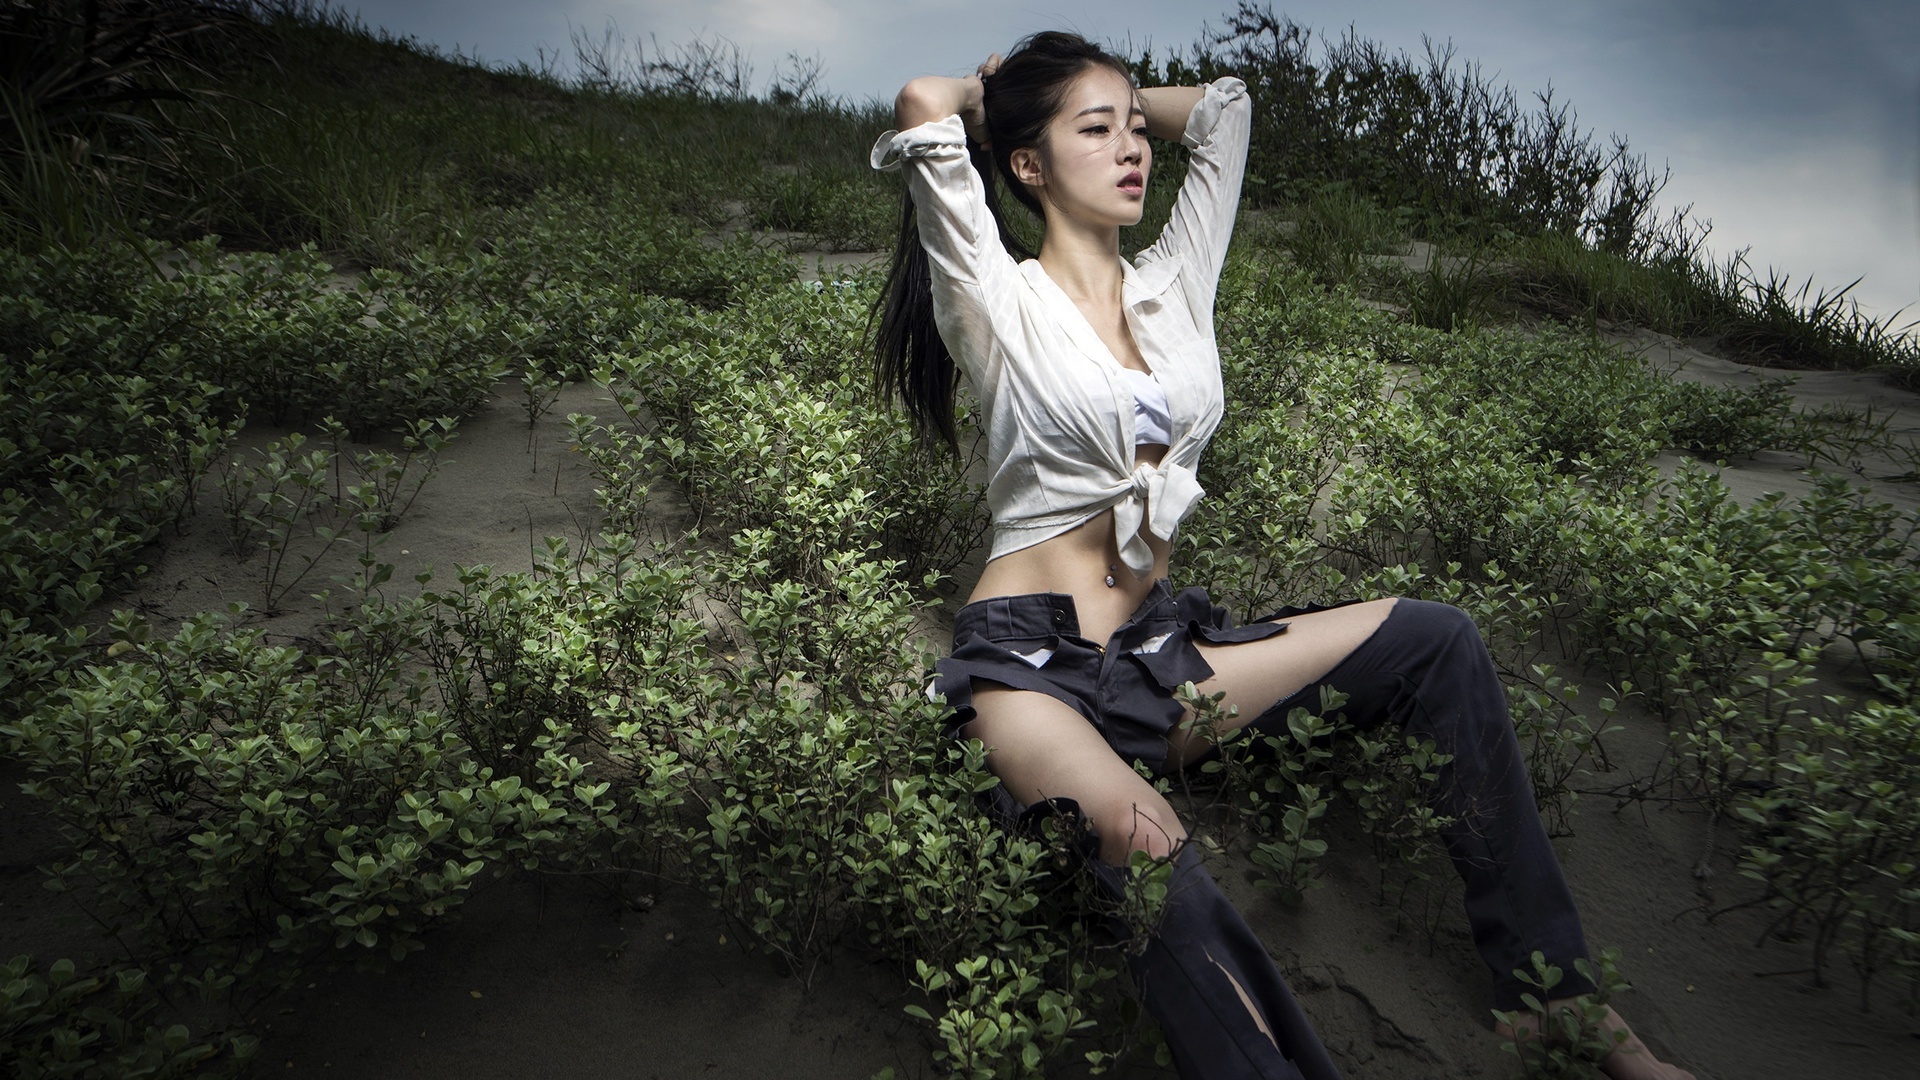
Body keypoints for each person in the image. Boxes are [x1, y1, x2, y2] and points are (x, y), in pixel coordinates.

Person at [867, 30, 1694, 1080]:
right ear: (1026, 165)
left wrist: (1109, 96)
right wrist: (991, 101)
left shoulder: (1173, 283)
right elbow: (918, 101)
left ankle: (1559, 1005)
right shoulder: (995, 295)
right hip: (1029, 673)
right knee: (1155, 855)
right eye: (1096, 130)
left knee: (1435, 641)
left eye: (1133, 127)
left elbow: (1223, 110)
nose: (1132, 147)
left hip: (1161, 659)